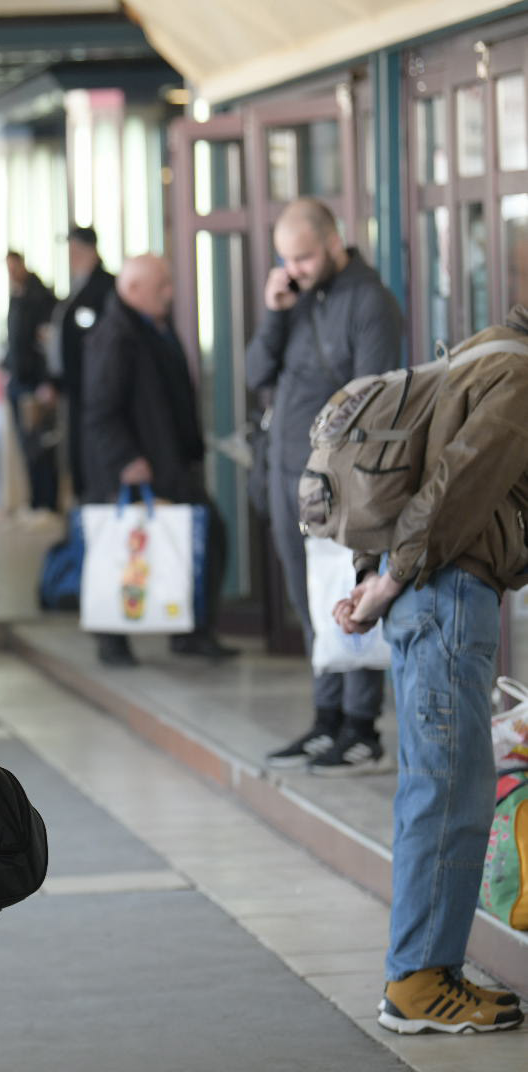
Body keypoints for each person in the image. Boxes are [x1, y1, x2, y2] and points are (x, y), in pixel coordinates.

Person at [332, 307, 528, 1035]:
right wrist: (387, 581)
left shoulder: (480, 355)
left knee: (444, 785)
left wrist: (375, 571)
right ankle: (417, 979)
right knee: (448, 792)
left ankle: (431, 968)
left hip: (426, 589)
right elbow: (456, 487)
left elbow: (408, 473)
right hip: (445, 594)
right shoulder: (516, 375)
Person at [248, 198, 404, 775]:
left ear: (336, 242)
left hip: (341, 485)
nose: (297, 267)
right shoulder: (294, 299)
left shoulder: (369, 302)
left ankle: (361, 728)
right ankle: (327, 719)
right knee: (312, 603)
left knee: (348, 600)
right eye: (287, 258)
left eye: (306, 256)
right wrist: (274, 311)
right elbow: (256, 374)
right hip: (289, 476)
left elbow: (375, 398)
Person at [83, 255, 237, 666]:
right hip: (136, 469)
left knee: (201, 537)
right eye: (162, 286)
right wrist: (126, 458)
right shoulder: (116, 335)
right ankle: (116, 636)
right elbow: (100, 409)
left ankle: (191, 630)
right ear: (133, 290)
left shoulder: (152, 328)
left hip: (167, 462)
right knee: (125, 548)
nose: (170, 293)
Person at [54, 227, 115, 501]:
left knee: (90, 453)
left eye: (74, 251)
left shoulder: (105, 287)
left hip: (93, 388)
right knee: (77, 451)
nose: (70, 257)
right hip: (77, 387)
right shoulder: (79, 285)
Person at [4, 251, 60, 511]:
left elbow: (46, 345)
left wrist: (47, 381)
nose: (11, 272)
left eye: (14, 267)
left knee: (42, 446)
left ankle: (46, 503)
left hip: (36, 385)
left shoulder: (40, 298)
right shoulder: (18, 297)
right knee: (29, 447)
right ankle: (37, 502)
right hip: (19, 382)